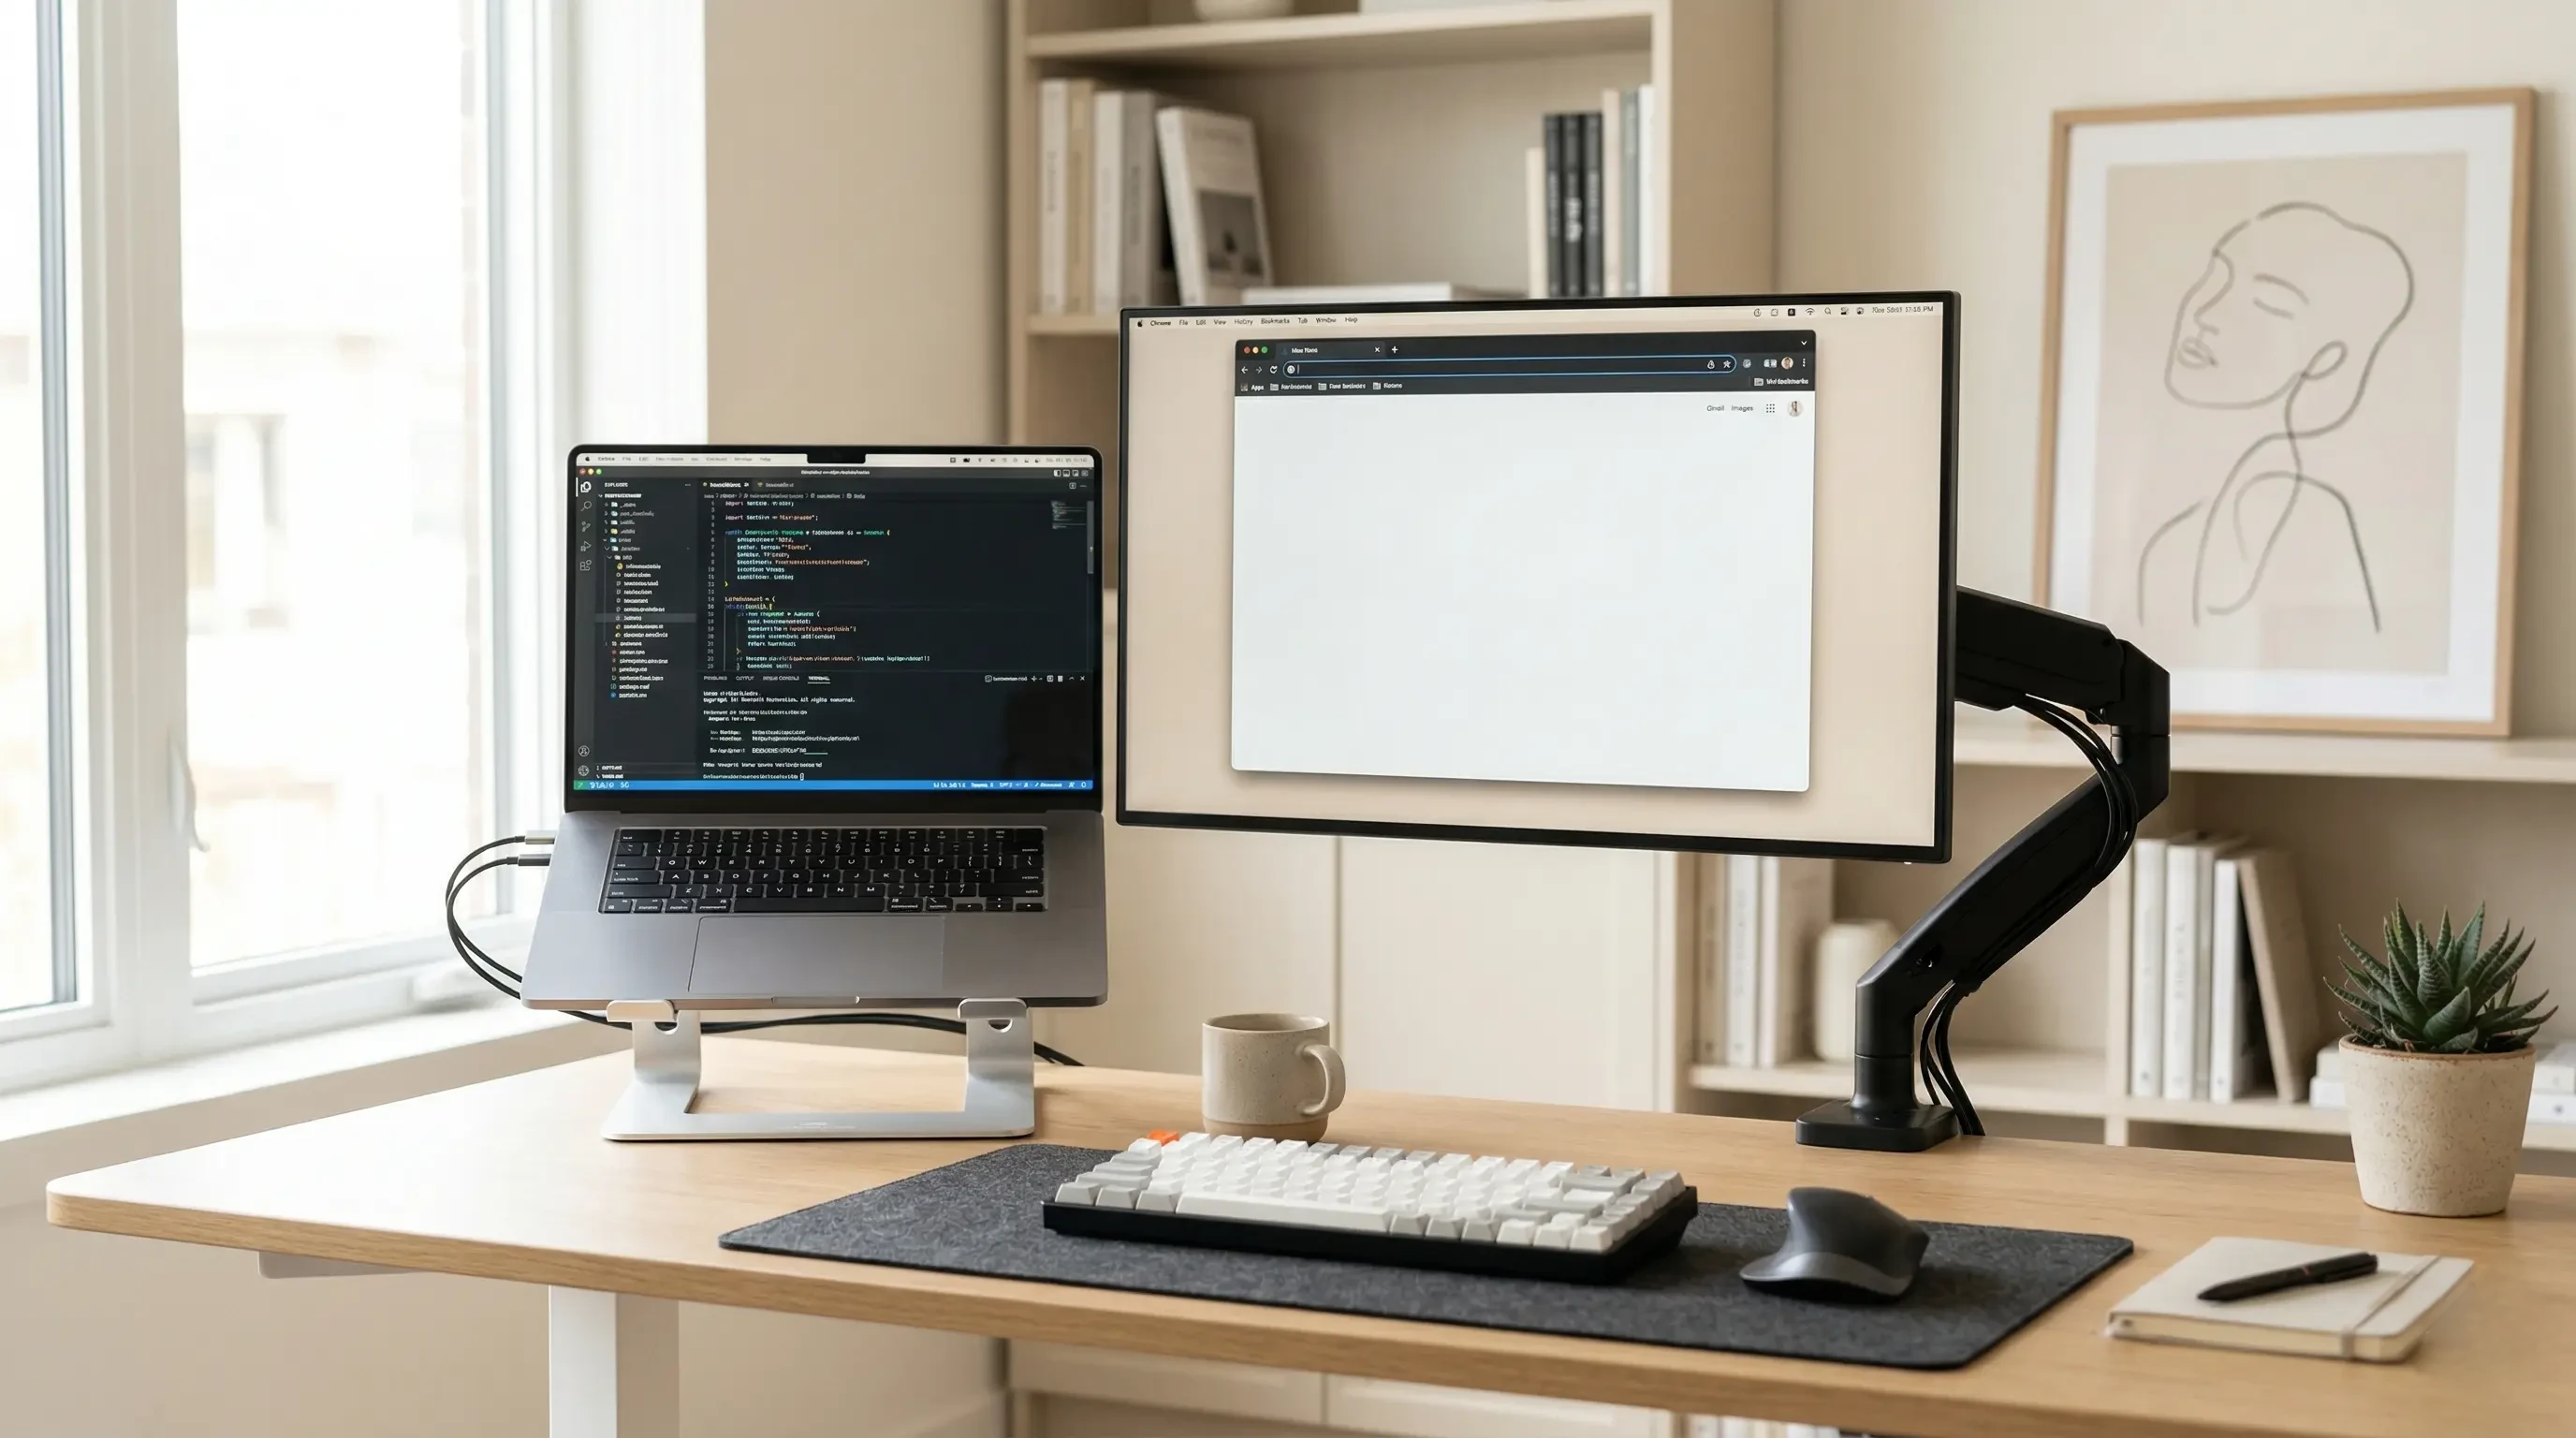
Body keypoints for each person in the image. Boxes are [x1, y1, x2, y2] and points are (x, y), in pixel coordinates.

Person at [2135, 200, 2413, 633]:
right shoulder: (2176, 537)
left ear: (2327, 359)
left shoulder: (2306, 514)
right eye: (2217, 276)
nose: (2206, 313)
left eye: (2267, 302)